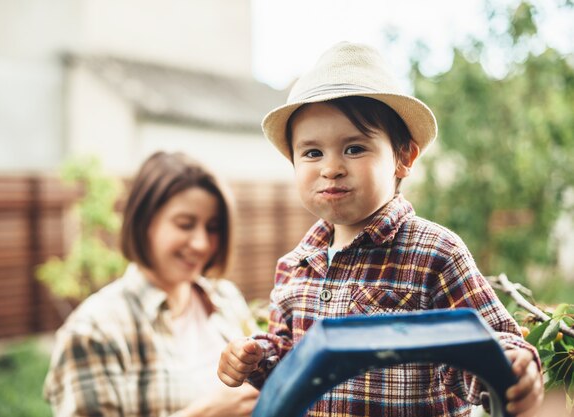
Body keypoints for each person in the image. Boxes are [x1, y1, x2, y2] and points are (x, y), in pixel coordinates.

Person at [217, 42, 543, 417]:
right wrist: (256, 357)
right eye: (312, 153)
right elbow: (288, 361)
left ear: (403, 158)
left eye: (354, 149)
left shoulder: (434, 252)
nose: (331, 168)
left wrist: (516, 368)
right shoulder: (295, 265)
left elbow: (489, 340)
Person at [44, 151, 259, 417]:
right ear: (145, 222)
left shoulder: (225, 298)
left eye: (212, 227)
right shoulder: (93, 331)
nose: (202, 243)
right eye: (185, 224)